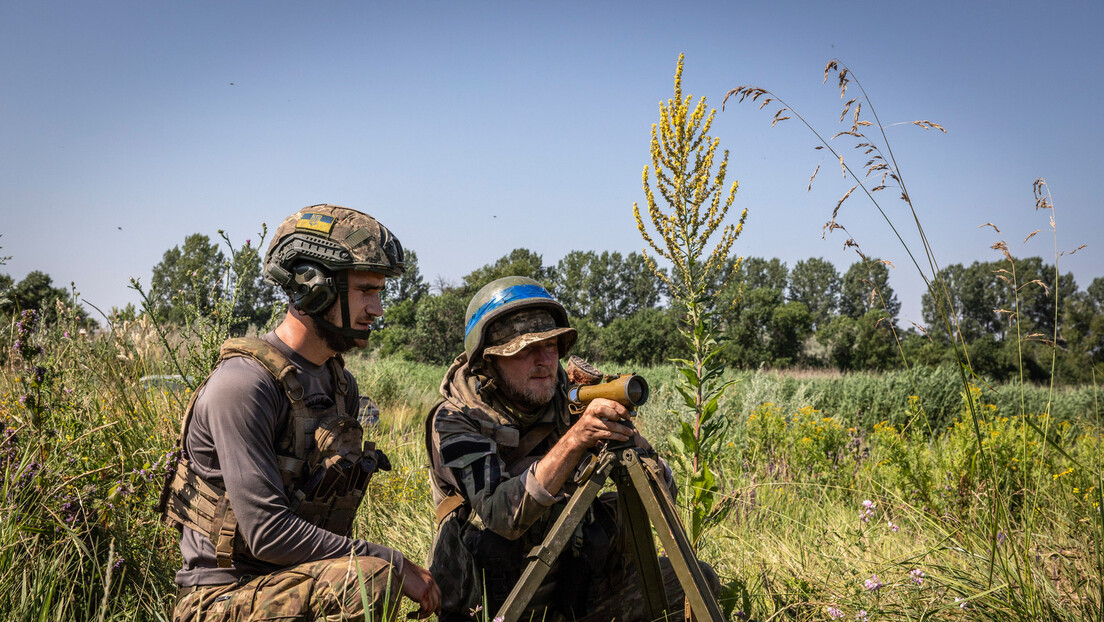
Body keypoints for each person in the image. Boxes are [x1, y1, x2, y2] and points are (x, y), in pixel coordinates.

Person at [161, 204, 440, 621]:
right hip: (219, 599)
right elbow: (267, 532)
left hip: (291, 583)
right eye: (366, 290)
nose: (378, 309)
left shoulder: (340, 385)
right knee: (373, 577)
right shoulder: (245, 384)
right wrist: (393, 563)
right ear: (315, 288)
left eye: (380, 292)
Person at [425, 276, 719, 622]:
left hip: (575, 587)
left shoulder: (570, 396)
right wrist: (577, 439)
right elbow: (500, 516)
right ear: (487, 361)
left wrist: (630, 442)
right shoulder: (456, 420)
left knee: (694, 582)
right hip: (492, 601)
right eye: (525, 350)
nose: (544, 360)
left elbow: (662, 490)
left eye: (551, 346)